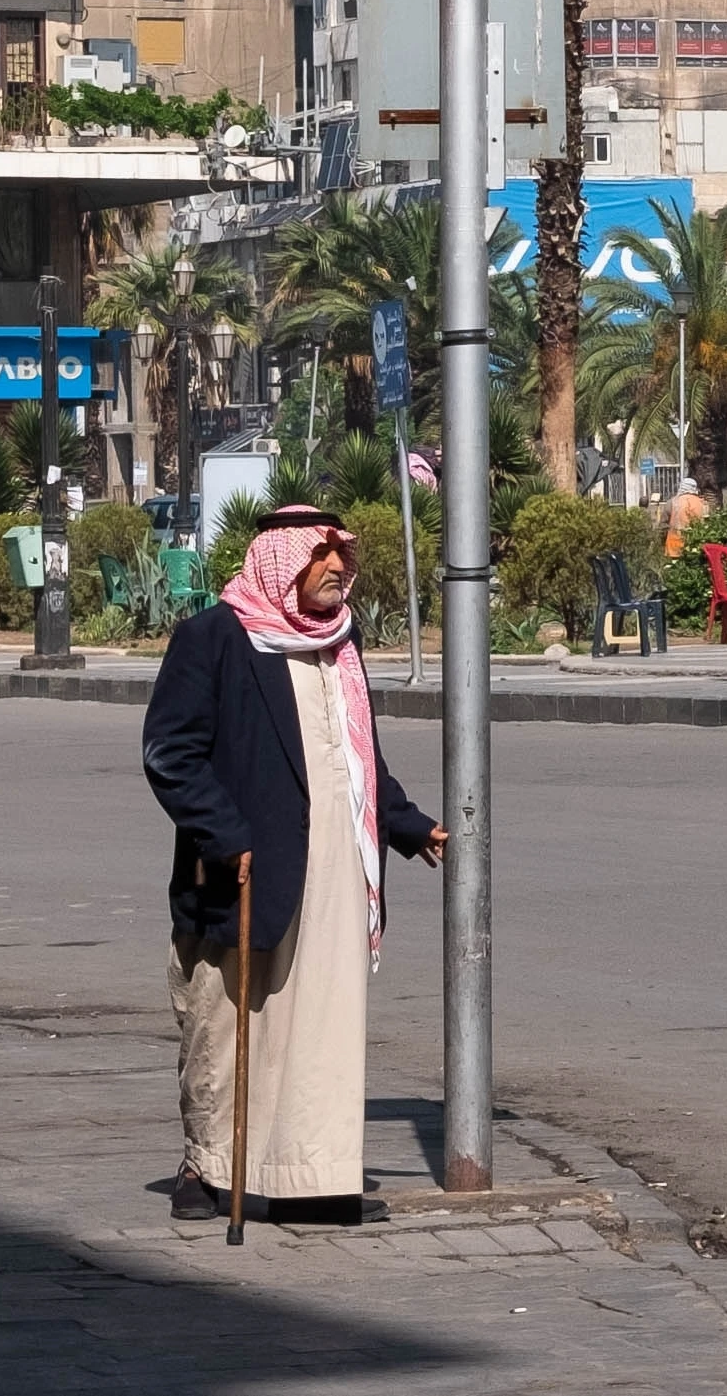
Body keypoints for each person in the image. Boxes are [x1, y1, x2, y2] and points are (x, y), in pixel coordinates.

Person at [140, 507, 444, 1222]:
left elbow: (358, 756)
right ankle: (207, 1167)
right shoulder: (215, 638)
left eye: (344, 553)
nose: (339, 565)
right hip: (245, 865)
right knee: (225, 1021)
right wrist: (224, 832)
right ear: (284, 559)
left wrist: (407, 825)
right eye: (323, 553)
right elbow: (170, 752)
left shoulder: (339, 642)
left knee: (322, 1024)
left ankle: (315, 1173)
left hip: (337, 865)